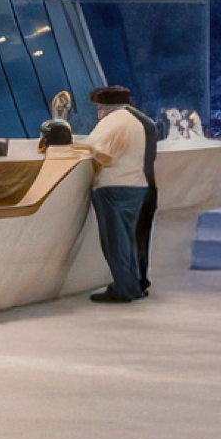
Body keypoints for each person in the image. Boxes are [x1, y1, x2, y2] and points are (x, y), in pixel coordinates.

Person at [80, 86, 157, 302]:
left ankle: (124, 289)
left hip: (113, 186)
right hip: (137, 185)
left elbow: (97, 150)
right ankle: (134, 285)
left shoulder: (113, 121)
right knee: (129, 240)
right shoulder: (136, 121)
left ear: (105, 106)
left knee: (116, 242)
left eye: (99, 108)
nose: (97, 113)